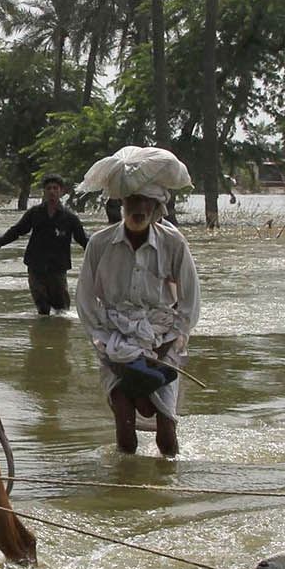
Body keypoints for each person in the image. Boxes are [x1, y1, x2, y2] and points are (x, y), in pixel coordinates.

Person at [75, 188, 200, 457]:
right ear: (122, 202)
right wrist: (105, 346)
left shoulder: (173, 243)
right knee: (125, 429)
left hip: (161, 341)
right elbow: (85, 300)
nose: (138, 207)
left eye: (146, 201)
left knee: (166, 434)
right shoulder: (100, 243)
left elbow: (190, 302)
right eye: (133, 200)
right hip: (116, 341)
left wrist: (170, 345)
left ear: (156, 206)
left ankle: (168, 486)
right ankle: (126, 488)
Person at [0, 175, 89, 315]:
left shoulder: (69, 217)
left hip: (57, 268)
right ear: (44, 191)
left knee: (62, 311)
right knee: (42, 308)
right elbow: (16, 231)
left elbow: (84, 240)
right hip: (36, 265)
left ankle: (60, 335)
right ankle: (40, 335)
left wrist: (101, 257)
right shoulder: (35, 213)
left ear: (61, 191)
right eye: (49, 188)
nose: (52, 191)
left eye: (55, 188)